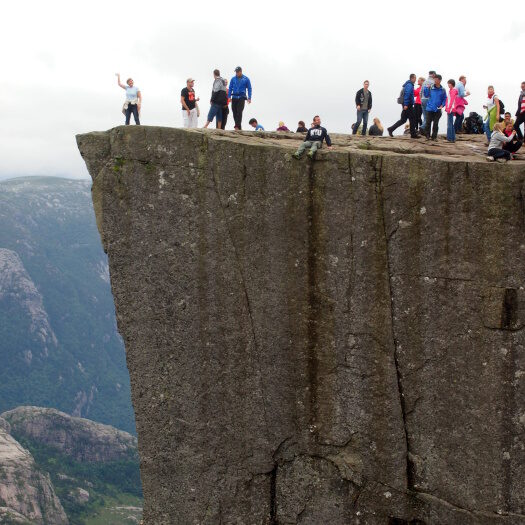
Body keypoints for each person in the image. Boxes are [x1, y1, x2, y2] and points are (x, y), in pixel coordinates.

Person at [387, 74, 419, 138]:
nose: (415, 80)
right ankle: (413, 134)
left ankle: (391, 129)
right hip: (408, 105)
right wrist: (406, 104)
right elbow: (407, 94)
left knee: (403, 120)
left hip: (406, 104)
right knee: (412, 119)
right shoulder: (409, 85)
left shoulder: (408, 84)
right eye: (415, 78)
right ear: (412, 78)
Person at [423, 74, 447, 140]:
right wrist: (426, 88)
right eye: (434, 79)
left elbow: (445, 99)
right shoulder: (430, 87)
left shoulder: (443, 90)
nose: (435, 81)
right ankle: (427, 136)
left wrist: (442, 105)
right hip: (430, 108)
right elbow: (426, 95)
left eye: (436, 79)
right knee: (428, 123)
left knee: (436, 124)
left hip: (438, 109)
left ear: (440, 80)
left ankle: (434, 137)